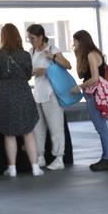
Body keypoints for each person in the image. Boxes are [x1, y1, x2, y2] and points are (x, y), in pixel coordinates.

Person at [0, 24, 42, 178]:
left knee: (8, 133)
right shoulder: (25, 55)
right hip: (23, 94)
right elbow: (28, 75)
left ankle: (12, 169)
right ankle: (35, 167)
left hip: (5, 95)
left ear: (3, 37)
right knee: (28, 131)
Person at [71, 30, 108, 171]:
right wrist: (76, 55)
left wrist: (79, 87)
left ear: (81, 41)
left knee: (101, 127)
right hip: (93, 93)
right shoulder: (93, 54)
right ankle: (107, 157)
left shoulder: (91, 55)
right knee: (101, 127)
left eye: (75, 41)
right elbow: (81, 73)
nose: (74, 44)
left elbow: (95, 78)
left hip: (95, 94)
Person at [27, 24, 71, 170]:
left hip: (51, 93)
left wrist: (49, 65)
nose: (31, 41)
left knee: (56, 127)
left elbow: (67, 65)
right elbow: (28, 71)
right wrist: (33, 72)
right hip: (38, 94)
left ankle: (59, 158)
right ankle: (40, 157)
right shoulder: (31, 51)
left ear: (41, 37)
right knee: (38, 129)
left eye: (33, 38)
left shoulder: (52, 49)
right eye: (29, 38)